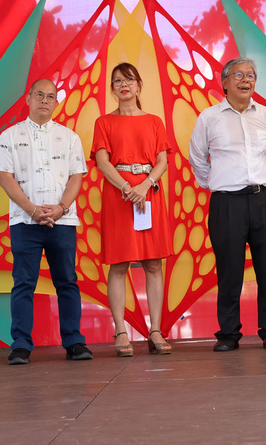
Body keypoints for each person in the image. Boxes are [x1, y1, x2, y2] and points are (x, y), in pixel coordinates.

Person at [189, 57, 266, 351]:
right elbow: (197, 159)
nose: (246, 80)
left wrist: (254, 181)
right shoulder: (209, 117)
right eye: (239, 75)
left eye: (251, 75)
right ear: (225, 82)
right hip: (226, 204)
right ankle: (229, 334)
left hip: (263, 200)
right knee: (229, 271)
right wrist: (222, 185)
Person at [0, 79, 93, 365]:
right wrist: (32, 210)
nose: (45, 101)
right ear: (28, 98)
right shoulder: (10, 136)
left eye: (51, 97)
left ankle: (74, 341)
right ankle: (21, 345)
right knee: (23, 283)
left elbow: (77, 176)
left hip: (63, 221)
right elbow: (5, 177)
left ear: (56, 103)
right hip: (24, 222)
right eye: (40, 95)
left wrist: (61, 208)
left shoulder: (69, 137)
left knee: (67, 281)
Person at [92, 63, 174, 356]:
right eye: (117, 81)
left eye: (129, 80)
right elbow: (102, 162)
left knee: (154, 263)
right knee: (119, 264)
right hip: (119, 196)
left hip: (149, 193)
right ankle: (120, 330)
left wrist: (145, 185)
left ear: (139, 85)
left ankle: (155, 330)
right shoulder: (104, 122)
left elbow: (162, 161)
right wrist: (127, 188)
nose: (123, 85)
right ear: (112, 88)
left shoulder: (154, 121)